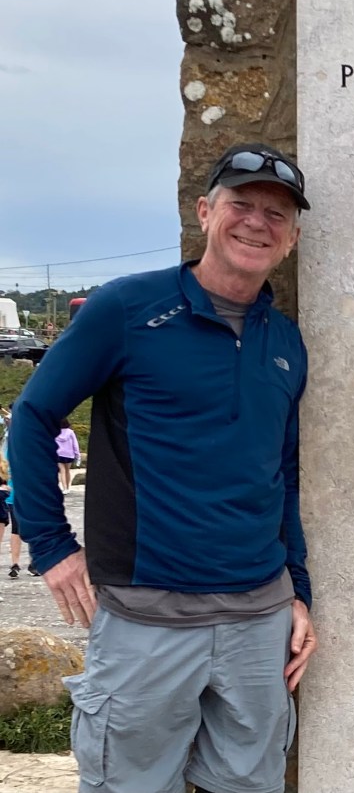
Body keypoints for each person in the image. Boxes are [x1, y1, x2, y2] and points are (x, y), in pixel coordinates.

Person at [10, 142, 317, 793]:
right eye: (241, 205)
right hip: (147, 619)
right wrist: (53, 546)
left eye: (276, 214)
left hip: (259, 620)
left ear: (291, 239)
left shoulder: (285, 343)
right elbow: (35, 418)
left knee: (251, 784)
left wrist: (299, 594)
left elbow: (281, 477)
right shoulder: (128, 312)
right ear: (206, 212)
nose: (257, 222)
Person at [54, 419, 80, 493]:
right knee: (67, 471)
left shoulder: (56, 432)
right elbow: (75, 444)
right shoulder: (70, 432)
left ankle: (64, 488)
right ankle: (68, 487)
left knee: (62, 471)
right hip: (69, 454)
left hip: (59, 454)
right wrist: (77, 454)